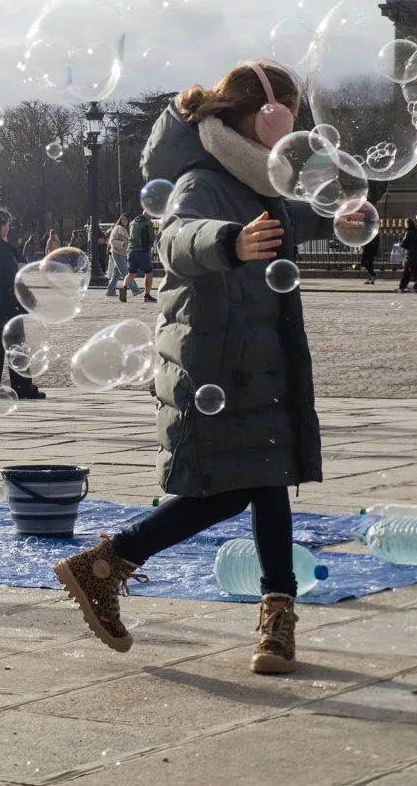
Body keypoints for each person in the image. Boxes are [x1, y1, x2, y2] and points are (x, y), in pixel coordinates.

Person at [55, 61, 327, 676]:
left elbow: (307, 216)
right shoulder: (201, 179)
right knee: (230, 490)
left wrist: (352, 209)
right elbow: (179, 237)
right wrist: (229, 241)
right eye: (286, 117)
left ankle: (276, 619)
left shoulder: (266, 184)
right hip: (216, 361)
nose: (293, 133)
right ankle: (110, 564)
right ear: (263, 119)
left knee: (266, 479)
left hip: (261, 362)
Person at [0, 207, 47, 399]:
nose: (8, 228)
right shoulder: (1, 250)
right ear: (0, 227)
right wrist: (29, 298)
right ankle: (23, 386)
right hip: (7, 304)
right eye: (7, 224)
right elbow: (13, 279)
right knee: (16, 345)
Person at [118, 210, 159, 303]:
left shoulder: (133, 222)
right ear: (148, 215)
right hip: (142, 251)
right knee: (148, 273)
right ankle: (147, 295)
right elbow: (152, 238)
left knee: (131, 273)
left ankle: (123, 289)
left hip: (131, 251)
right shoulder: (148, 223)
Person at [102, 214, 130, 296]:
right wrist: (122, 243)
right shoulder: (118, 228)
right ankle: (135, 289)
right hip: (117, 252)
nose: (124, 221)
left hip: (122, 253)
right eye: (122, 219)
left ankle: (110, 291)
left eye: (125, 219)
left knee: (117, 274)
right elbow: (112, 240)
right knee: (125, 272)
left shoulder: (124, 229)